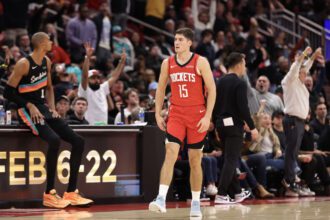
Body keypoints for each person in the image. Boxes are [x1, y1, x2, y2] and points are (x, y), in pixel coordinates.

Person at [3, 32, 93, 208]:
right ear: (42, 43)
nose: (52, 42)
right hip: (26, 109)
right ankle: (49, 193)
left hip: (42, 107)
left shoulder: (47, 61)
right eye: (49, 40)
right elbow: (8, 93)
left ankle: (71, 192)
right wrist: (29, 105)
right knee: (54, 140)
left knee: (78, 141)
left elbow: (50, 88)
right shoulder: (23, 64)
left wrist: (51, 108)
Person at [148, 28, 216, 218]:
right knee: (170, 153)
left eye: (180, 39)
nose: (176, 42)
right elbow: (161, 88)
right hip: (176, 114)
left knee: (195, 160)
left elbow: (212, 90)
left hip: (197, 115)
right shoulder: (167, 63)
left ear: (189, 43)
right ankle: (161, 198)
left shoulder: (200, 61)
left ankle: (195, 203)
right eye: (175, 39)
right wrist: (157, 114)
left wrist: (207, 116)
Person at [213, 52, 258, 204]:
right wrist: (252, 127)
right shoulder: (239, 83)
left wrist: (215, 125)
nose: (245, 67)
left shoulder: (219, 82)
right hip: (234, 126)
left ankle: (237, 192)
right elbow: (243, 108)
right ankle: (221, 194)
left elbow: (213, 105)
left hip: (221, 124)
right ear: (238, 64)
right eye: (244, 64)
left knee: (228, 159)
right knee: (231, 160)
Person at [281, 46, 321, 196]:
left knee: (294, 151)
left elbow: (304, 66)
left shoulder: (301, 85)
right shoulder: (290, 81)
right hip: (291, 120)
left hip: (299, 122)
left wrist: (313, 58)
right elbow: (296, 67)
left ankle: (293, 180)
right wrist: (304, 54)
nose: (306, 75)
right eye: (303, 73)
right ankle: (289, 181)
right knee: (291, 151)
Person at [78, 42, 126, 125]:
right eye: (93, 78)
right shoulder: (84, 89)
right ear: (88, 80)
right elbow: (84, 76)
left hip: (104, 126)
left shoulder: (102, 88)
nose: (96, 80)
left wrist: (121, 62)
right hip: (89, 126)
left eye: (98, 78)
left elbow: (114, 77)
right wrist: (87, 58)